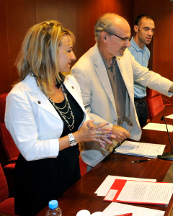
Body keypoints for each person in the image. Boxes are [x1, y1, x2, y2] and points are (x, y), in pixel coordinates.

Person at [5, 21, 114, 215]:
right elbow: (31, 150)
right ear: (47, 52)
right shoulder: (20, 96)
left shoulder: (68, 81)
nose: (73, 56)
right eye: (68, 50)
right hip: (39, 179)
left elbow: (80, 118)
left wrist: (95, 129)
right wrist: (77, 138)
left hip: (69, 170)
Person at [71, 13, 173, 170]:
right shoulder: (82, 69)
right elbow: (83, 114)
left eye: (129, 39)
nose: (128, 44)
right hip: (101, 150)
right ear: (105, 36)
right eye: (124, 39)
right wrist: (110, 128)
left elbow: (145, 75)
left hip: (127, 141)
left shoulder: (124, 56)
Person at [129, 14, 155, 127]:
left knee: (143, 136)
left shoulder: (147, 52)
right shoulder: (126, 51)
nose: (150, 33)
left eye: (152, 30)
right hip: (129, 103)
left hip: (142, 102)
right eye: (146, 29)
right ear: (136, 28)